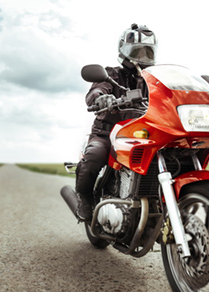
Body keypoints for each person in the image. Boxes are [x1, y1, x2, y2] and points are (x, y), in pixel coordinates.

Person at [75, 23, 158, 221]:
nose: (142, 57)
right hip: (108, 132)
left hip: (140, 133)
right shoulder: (112, 74)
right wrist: (100, 97)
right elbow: (97, 89)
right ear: (125, 50)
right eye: (138, 51)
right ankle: (84, 196)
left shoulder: (153, 80)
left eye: (148, 52)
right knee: (95, 155)